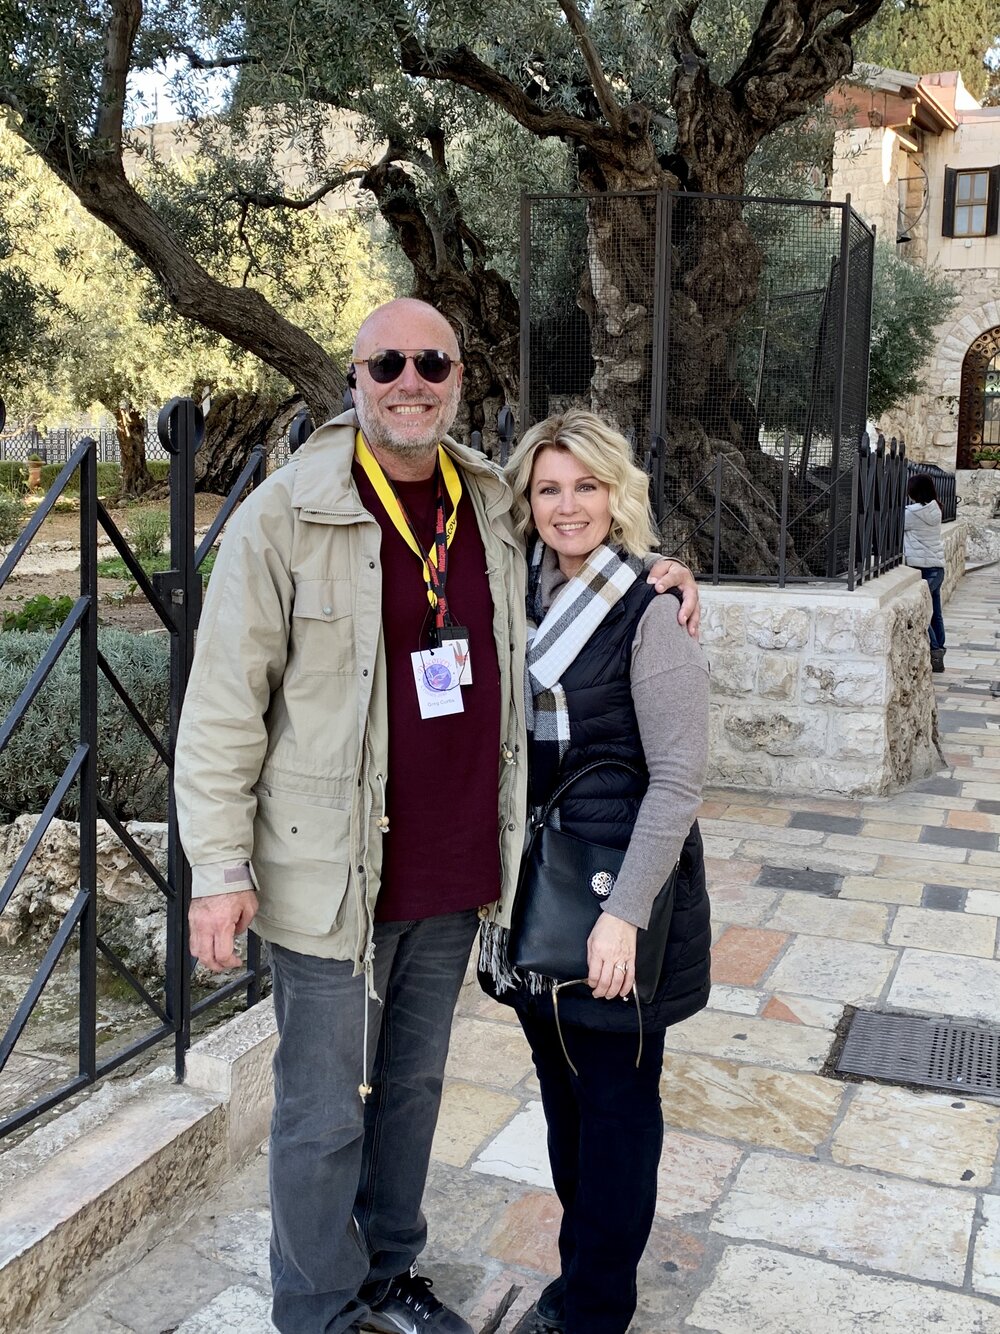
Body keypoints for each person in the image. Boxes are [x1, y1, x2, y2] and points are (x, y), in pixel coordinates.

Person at [174, 298, 701, 1334]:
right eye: (387, 363)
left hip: (457, 865)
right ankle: (319, 1307)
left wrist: (665, 573)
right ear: (354, 376)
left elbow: (578, 548)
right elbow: (223, 704)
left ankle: (388, 1273)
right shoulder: (285, 512)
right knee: (323, 1109)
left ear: (458, 377)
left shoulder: (491, 499)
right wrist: (217, 864)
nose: (409, 380)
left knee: (411, 1091)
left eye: (432, 362)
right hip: (325, 867)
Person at [479, 409, 710, 1334]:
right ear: (526, 503)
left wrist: (624, 918)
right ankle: (580, 1282)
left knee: (615, 1111)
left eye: (585, 486)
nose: (567, 506)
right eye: (548, 489)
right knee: (566, 1102)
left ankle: (597, 1308)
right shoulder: (517, 603)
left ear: (617, 496)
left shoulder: (652, 613)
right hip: (540, 894)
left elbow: (680, 782)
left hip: (619, 901)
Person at [904, 473, 946, 672]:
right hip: (937, 568)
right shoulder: (936, 509)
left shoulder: (910, 514)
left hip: (921, 568)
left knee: (922, 609)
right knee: (935, 612)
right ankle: (940, 650)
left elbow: (892, 526)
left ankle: (935, 651)